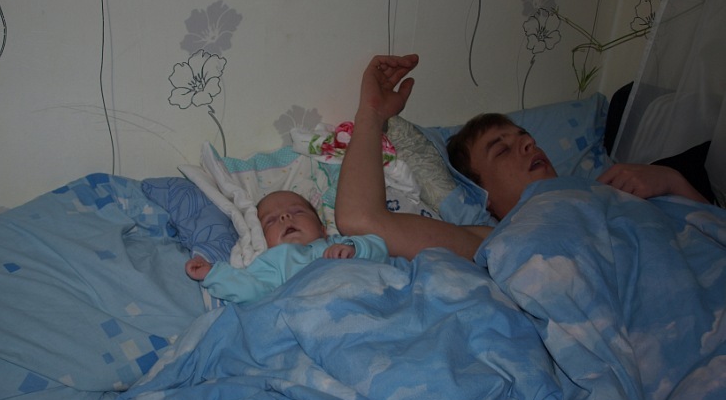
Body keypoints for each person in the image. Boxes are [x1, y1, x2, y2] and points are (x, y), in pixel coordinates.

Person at [335, 54, 710, 261]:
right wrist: (372, 113)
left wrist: (673, 181)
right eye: (501, 149)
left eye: (525, 139)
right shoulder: (497, 241)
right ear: (483, 195)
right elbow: (360, 219)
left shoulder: (614, 189)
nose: (529, 145)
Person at [186, 190, 389, 303]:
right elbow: (250, 290)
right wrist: (213, 273)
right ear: (263, 240)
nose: (285, 216)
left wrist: (354, 248)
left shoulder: (338, 243)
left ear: (323, 229)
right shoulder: (274, 261)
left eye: (298, 212)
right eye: (271, 221)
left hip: (368, 297)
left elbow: (381, 249)